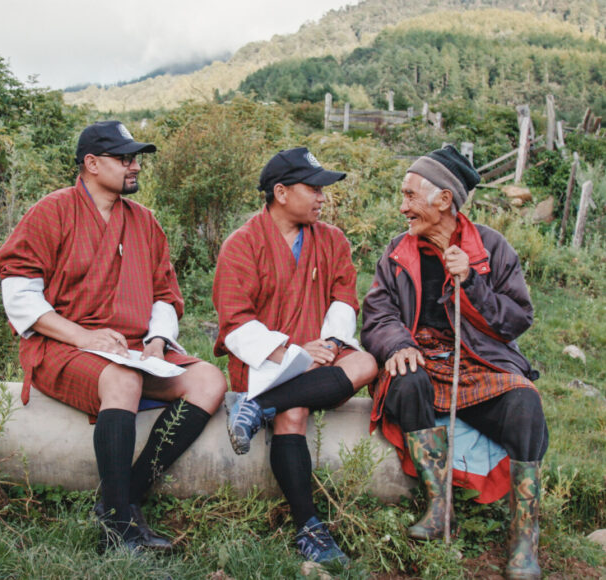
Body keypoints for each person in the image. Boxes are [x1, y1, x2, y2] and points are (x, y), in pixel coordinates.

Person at [0, 121, 227, 551]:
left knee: (209, 380)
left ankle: (122, 500)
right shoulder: (52, 211)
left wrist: (157, 341)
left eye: (135, 158)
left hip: (132, 348)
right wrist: (83, 338)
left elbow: (164, 294)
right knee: (123, 379)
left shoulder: (144, 221)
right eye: (124, 159)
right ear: (91, 163)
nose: (134, 166)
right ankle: (118, 531)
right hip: (63, 346)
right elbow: (20, 296)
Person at [361, 146, 548, 580]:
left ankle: (524, 537)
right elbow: (377, 314)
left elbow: (516, 319)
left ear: (444, 200)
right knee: (406, 378)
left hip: (478, 361)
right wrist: (397, 345)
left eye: (410, 195)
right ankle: (439, 507)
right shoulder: (397, 251)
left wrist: (473, 281)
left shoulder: (491, 248)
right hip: (422, 357)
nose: (403, 206)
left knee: (525, 403)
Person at [212, 147, 378, 565]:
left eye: (323, 189)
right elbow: (234, 321)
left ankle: (256, 408)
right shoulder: (242, 244)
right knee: (295, 411)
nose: (322, 197)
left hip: (321, 353)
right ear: (281, 192)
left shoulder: (332, 239)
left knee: (365, 362)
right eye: (314, 188)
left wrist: (332, 344)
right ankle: (308, 527)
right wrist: (289, 351)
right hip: (266, 361)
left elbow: (344, 297)